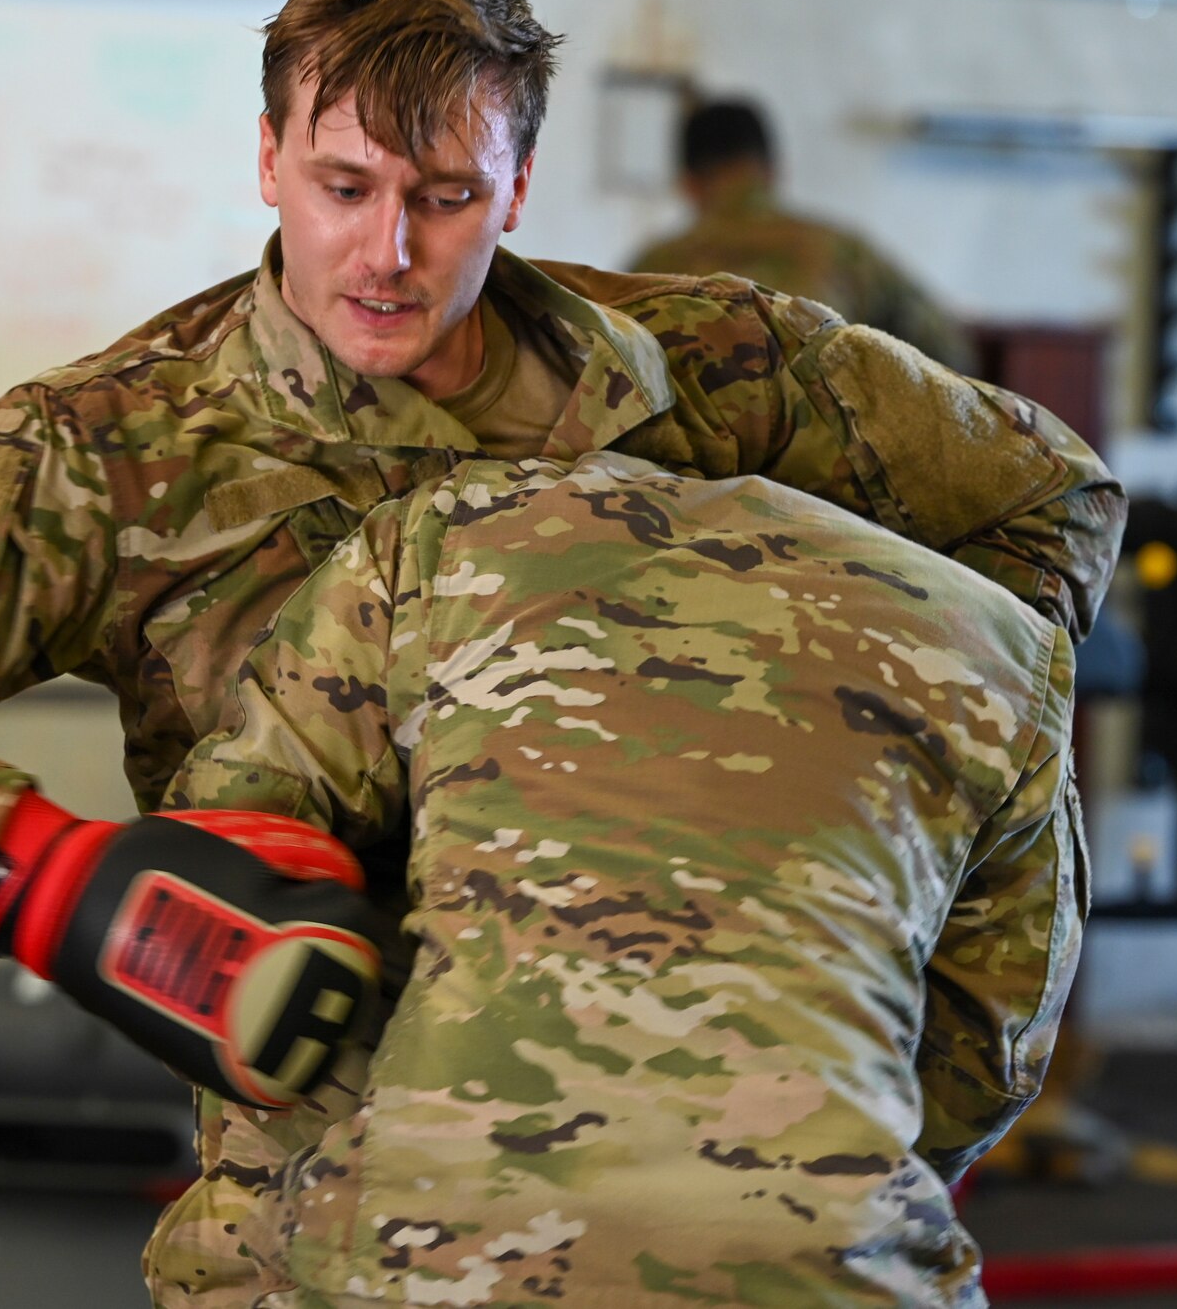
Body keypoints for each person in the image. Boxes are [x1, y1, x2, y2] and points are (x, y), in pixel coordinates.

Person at [0, 0, 1125, 1301]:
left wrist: (902, 850)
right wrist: (45, 878)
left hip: (743, 1184)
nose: (387, 252)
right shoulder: (117, 452)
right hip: (326, 1210)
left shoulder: (722, 379)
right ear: (268, 160)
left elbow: (1042, 511)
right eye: (344, 188)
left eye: (445, 197)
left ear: (517, 185)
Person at [144, 449, 1088, 1305]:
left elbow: (232, 871)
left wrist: (294, 1212)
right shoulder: (1005, 644)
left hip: (425, 1248)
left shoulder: (447, 531)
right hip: (830, 1263)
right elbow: (991, 1049)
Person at [631, 98, 978, 372]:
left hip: (688, 461)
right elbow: (948, 351)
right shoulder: (843, 250)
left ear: (687, 184)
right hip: (828, 458)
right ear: (773, 172)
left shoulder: (649, 269)